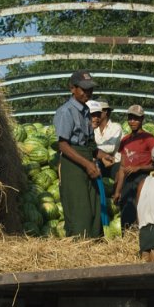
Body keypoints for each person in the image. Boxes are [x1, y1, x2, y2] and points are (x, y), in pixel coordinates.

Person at [54, 70, 107, 238]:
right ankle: (80, 246)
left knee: (94, 206)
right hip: (73, 165)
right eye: (84, 89)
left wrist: (102, 156)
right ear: (72, 89)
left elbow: (89, 145)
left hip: (87, 162)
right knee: (79, 210)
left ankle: (94, 246)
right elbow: (63, 145)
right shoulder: (66, 112)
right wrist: (87, 164)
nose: (88, 93)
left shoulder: (85, 111)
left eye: (90, 89)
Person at [113, 105, 154, 227]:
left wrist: (139, 167)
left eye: (136, 118)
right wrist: (118, 191)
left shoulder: (150, 139)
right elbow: (122, 167)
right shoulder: (125, 140)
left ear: (142, 119)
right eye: (130, 118)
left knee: (140, 210)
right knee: (126, 210)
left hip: (142, 179)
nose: (132, 121)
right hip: (127, 181)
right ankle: (127, 237)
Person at [93, 100, 122, 179]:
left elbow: (110, 148)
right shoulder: (93, 129)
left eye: (98, 112)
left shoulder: (116, 127)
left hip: (114, 163)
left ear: (105, 112)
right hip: (99, 162)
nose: (95, 115)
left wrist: (92, 149)